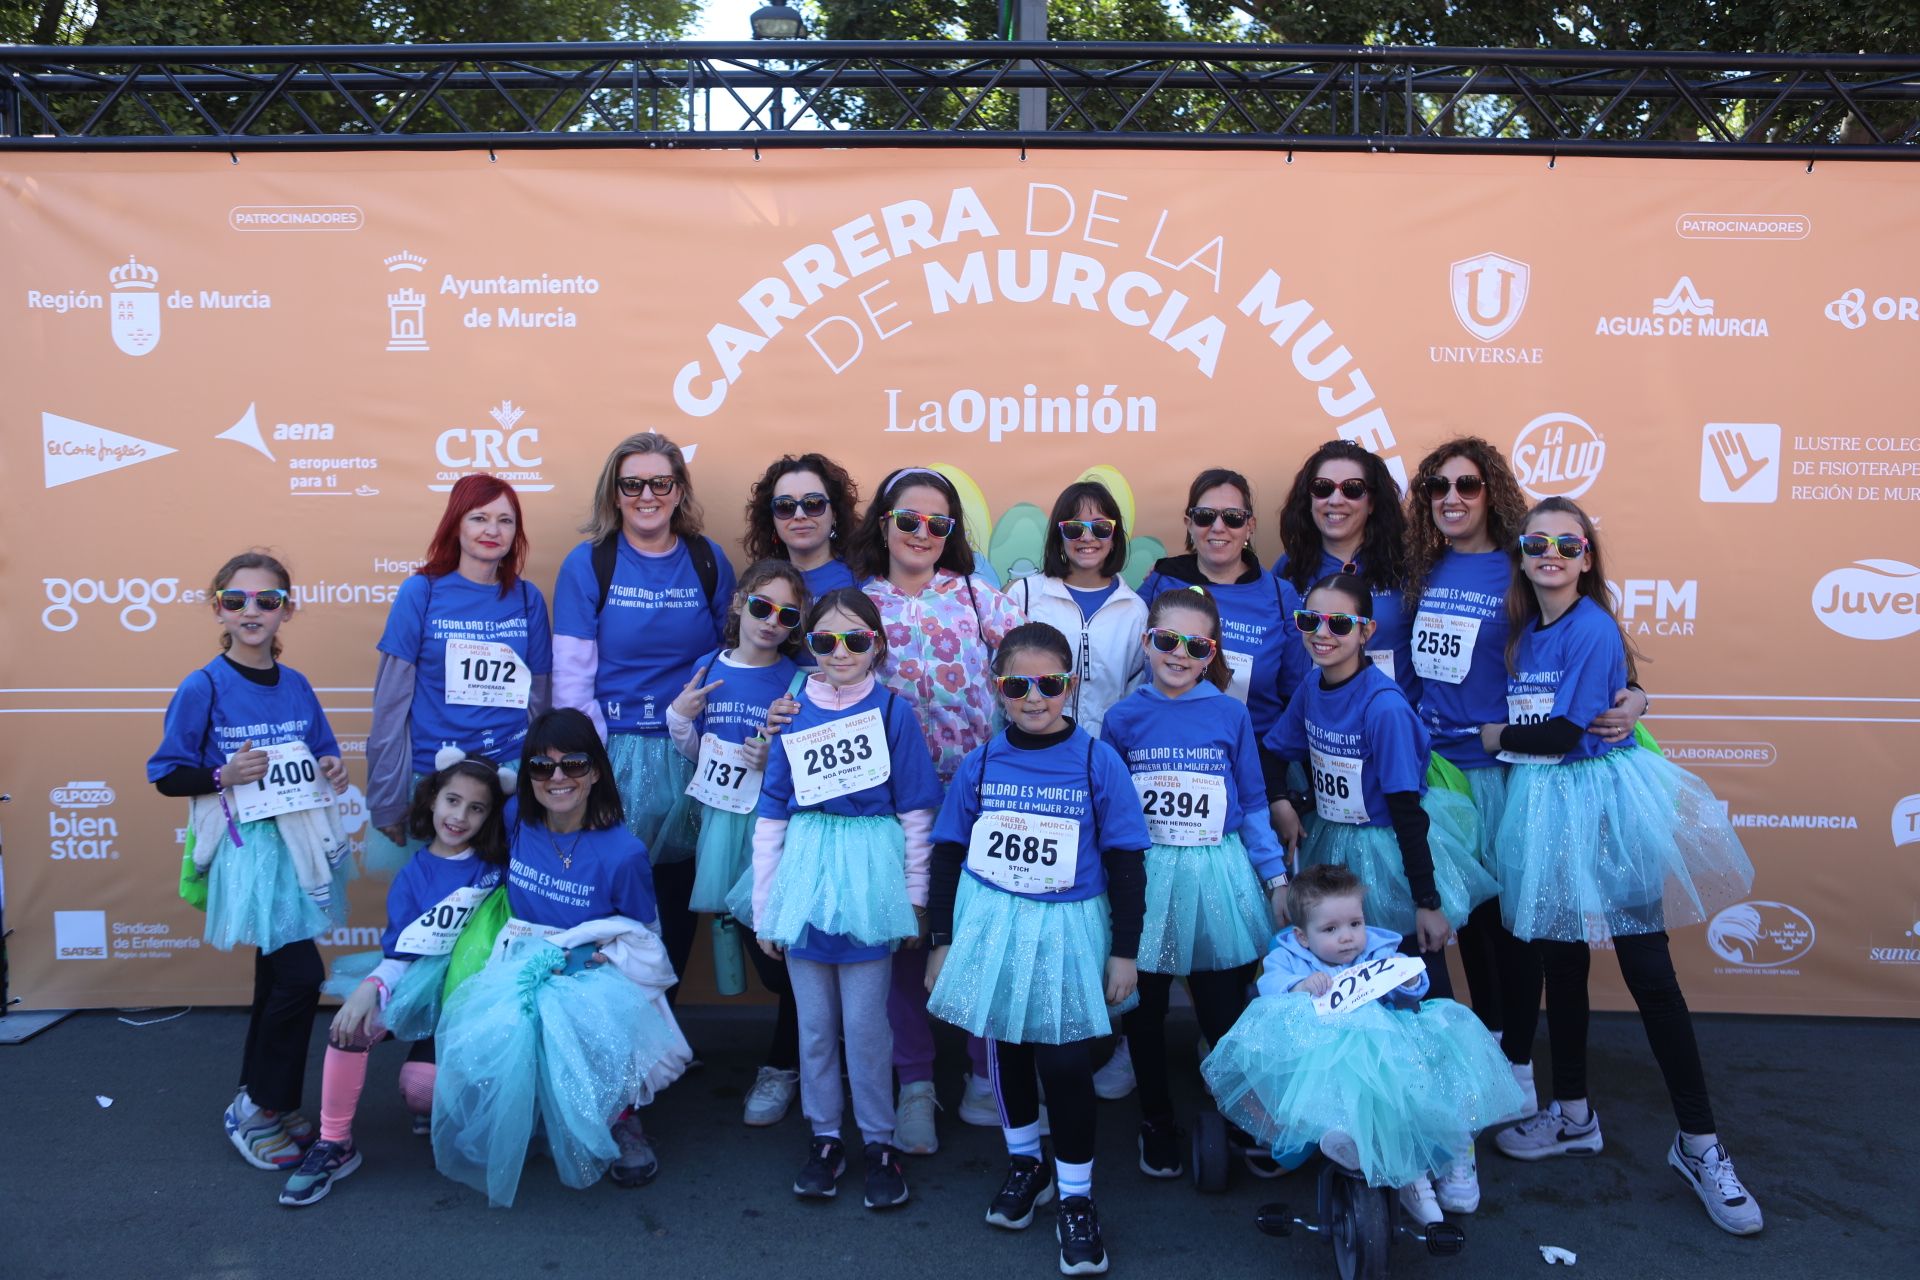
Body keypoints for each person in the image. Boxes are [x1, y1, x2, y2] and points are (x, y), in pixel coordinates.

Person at [1479, 498, 1762, 1236]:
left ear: (1587, 556)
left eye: (1566, 544)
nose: (1551, 553)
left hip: (1606, 808)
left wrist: (1495, 734)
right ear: (1521, 552)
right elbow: (1574, 718)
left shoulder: (1595, 625)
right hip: (1544, 812)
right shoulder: (1522, 635)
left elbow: (1570, 734)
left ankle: (1699, 1145)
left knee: (1650, 975)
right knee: (1562, 965)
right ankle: (1573, 1115)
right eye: (1536, 541)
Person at [1402, 436, 1648, 1174]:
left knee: (1513, 934)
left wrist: (1636, 696)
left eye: (1467, 484)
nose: (1452, 498)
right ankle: (1479, 1070)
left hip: (1509, 773)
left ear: (1491, 491)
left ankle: (1515, 1075)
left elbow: (1592, 648)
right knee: (1462, 929)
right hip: (1439, 774)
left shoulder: (1523, 562)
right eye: (1437, 486)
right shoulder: (1422, 569)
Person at [925, 623, 1150, 1277]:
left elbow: (1128, 860)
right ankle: (1028, 1164)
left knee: (1066, 1064)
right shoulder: (983, 761)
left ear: (1069, 686)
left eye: (1049, 684)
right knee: (1010, 1052)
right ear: (998, 689)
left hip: (1069, 928)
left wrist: (1125, 952)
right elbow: (947, 852)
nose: (1033, 697)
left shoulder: (1094, 760)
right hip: (995, 924)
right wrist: (941, 941)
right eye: (1017, 684)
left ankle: (1077, 1199)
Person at [432, 710, 692, 1206]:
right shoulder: (514, 819)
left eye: (573, 764)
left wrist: (599, 958)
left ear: (595, 771)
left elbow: (641, 933)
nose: (557, 778)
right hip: (520, 955)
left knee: (589, 1012)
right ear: (527, 775)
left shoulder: (623, 851)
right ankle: (532, 1111)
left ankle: (620, 1118)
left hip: (589, 965)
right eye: (541, 766)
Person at [149, 551, 350, 1172]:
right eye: (236, 601)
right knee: (297, 977)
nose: (252, 612)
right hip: (248, 854)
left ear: (287, 609)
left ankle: (264, 1098)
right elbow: (166, 774)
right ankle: (262, 1105)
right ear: (218, 607)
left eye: (266, 600)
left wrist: (333, 768)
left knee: (275, 978)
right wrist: (222, 773)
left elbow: (320, 752)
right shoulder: (203, 685)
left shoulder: (296, 684)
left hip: (298, 849)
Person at [749, 588, 943, 1210]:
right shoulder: (793, 709)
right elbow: (772, 811)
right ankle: (826, 1136)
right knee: (814, 1027)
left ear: (877, 646)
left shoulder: (893, 713)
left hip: (868, 883)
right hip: (806, 877)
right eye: (826, 640)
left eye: (855, 640)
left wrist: (916, 897)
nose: (840, 652)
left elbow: (916, 810)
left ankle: (879, 1141)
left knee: (865, 1026)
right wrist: (765, 905)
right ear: (810, 645)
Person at [851, 465, 1025, 1149]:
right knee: (905, 941)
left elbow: (1031, 673)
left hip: (977, 802)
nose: (922, 533)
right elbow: (833, 690)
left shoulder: (979, 597)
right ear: (885, 525)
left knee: (977, 935)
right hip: (891, 808)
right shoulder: (859, 606)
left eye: (938, 524)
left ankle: (984, 1074)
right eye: (909, 520)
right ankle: (916, 1083)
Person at [1201, 864, 1526, 1225]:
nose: (1347, 938)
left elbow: (1406, 978)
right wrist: (1298, 986)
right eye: (1331, 929)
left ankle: (1412, 1178)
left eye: (1355, 924)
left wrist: (1408, 981)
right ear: (1303, 936)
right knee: (1333, 1071)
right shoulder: (1290, 958)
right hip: (1320, 1054)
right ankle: (1340, 1135)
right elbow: (1270, 986)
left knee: (1421, 1065)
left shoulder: (1377, 950)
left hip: (1385, 1054)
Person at [1099, 587, 1287, 1180]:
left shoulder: (1230, 713)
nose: (1178, 654)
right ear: (1148, 642)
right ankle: (1156, 1121)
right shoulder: (1123, 717)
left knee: (1222, 1010)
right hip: (1149, 882)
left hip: (1216, 877)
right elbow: (1108, 811)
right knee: (1145, 1012)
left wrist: (1276, 877)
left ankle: (1239, 1114)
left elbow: (1253, 802)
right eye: (1166, 640)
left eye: (1195, 644)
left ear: (1212, 653)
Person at [552, 432, 737, 1001]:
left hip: (690, 752)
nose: (647, 495)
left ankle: (662, 1028)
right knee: (613, 895)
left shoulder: (707, 560)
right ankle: (611, 1030)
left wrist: (708, 743)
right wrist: (589, 765)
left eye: (661, 482)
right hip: (615, 752)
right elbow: (572, 679)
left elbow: (732, 658)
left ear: (679, 490)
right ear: (615, 493)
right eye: (633, 484)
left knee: (678, 895)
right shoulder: (589, 564)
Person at [280, 755, 511, 1206]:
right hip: (420, 979)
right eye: (452, 800)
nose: (459, 817)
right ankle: (334, 1143)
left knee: (424, 1087)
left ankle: (451, 1105)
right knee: (350, 1028)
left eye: (476, 808)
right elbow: (401, 954)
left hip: (476, 987)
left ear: (491, 816)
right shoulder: (415, 874)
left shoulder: (498, 864)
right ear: (433, 800)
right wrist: (370, 987)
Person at [1263, 574, 1498, 1008]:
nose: (1322, 634)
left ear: (1367, 630)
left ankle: (1437, 1067)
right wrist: (1279, 799)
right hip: (1333, 839)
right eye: (1310, 620)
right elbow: (1274, 750)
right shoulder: (1312, 687)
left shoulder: (1385, 707)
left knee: (1410, 976)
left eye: (1339, 623)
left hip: (1389, 851)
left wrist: (1427, 902)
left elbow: (1407, 812)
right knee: (1343, 973)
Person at [669, 559, 808, 1127]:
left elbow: (808, 766)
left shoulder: (798, 678)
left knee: (781, 962)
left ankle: (790, 1059)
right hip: (715, 831)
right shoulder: (707, 667)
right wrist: (682, 716)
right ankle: (789, 1058)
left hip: (772, 836)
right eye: (761, 606)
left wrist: (773, 760)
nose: (771, 621)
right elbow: (690, 749)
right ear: (738, 605)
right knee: (743, 942)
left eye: (786, 614)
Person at [367, 474, 551, 861]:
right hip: (435, 782)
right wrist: (386, 799)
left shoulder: (528, 599)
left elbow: (539, 701)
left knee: (504, 909)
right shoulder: (421, 592)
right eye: (478, 518)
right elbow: (390, 704)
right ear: (456, 523)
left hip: (507, 778)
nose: (492, 530)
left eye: (505, 520)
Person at [1007, 480, 1147, 738]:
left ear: (1114, 537)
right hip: (1033, 749)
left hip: (1105, 752)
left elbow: (1134, 696)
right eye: (1074, 528)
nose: (1087, 537)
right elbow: (1002, 680)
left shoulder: (1135, 611)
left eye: (1101, 527)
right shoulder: (1024, 595)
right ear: (1058, 537)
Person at [1277, 441, 1416, 699]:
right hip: (1312, 724)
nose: (1335, 500)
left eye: (1352, 490)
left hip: (1386, 726)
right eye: (1322, 488)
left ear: (1372, 502)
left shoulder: (1407, 567)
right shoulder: (1288, 568)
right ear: (1308, 498)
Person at [742, 452, 861, 598]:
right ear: (771, 517)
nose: (799, 515)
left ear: (834, 513)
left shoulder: (862, 580)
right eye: (784, 506)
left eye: (813, 504)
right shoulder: (757, 584)